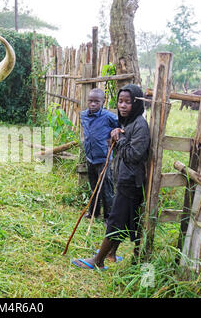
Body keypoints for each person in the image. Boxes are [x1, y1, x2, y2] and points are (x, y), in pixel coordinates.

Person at [72, 84, 150, 270]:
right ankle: (112, 254)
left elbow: (133, 155)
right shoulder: (129, 123)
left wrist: (119, 139)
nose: (123, 106)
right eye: (120, 102)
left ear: (137, 103)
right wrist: (116, 138)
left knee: (115, 220)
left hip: (131, 182)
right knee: (123, 218)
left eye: (128, 102)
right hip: (125, 178)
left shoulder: (140, 125)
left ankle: (97, 261)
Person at [80, 88, 119, 221]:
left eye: (96, 102)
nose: (93, 104)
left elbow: (121, 126)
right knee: (93, 187)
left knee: (106, 189)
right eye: (90, 101)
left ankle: (109, 217)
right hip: (90, 157)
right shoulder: (83, 115)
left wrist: (114, 134)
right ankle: (93, 212)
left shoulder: (108, 117)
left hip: (104, 159)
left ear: (103, 102)